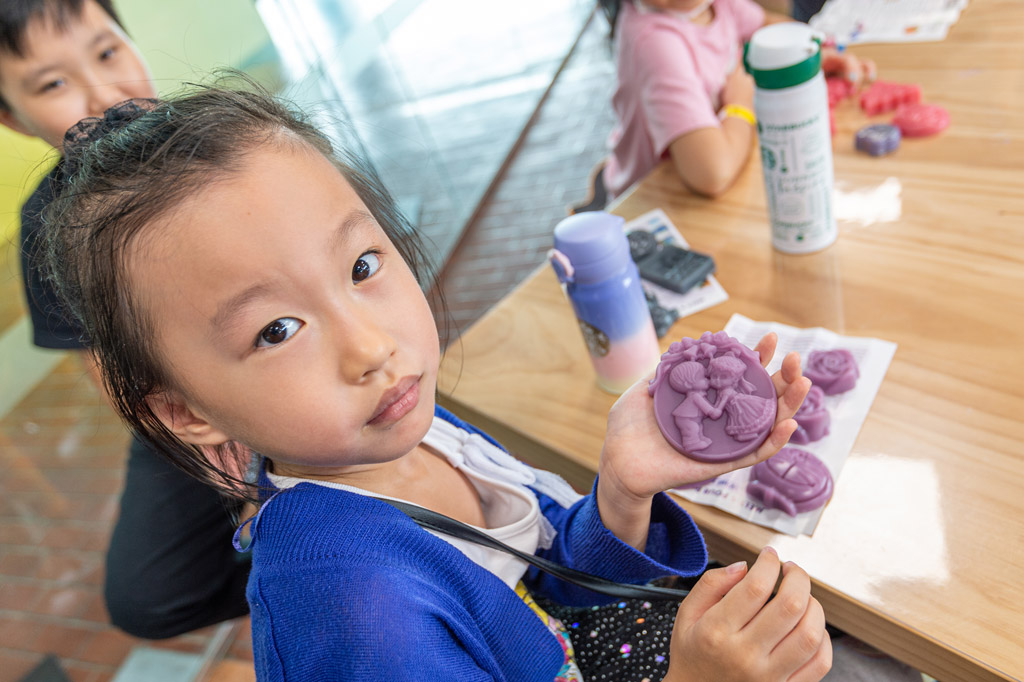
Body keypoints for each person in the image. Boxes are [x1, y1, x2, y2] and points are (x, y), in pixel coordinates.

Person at [39, 84, 831, 681]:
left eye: (360, 266)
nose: (370, 345)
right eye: (277, 331)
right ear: (182, 409)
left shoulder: (407, 427)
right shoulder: (354, 616)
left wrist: (621, 491)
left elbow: (554, 598)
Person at [0, 0, 250, 638]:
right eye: (53, 83)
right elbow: (106, 370)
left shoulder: (227, 142)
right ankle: (288, 562)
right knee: (147, 599)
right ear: (11, 117)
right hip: (179, 410)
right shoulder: (46, 229)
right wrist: (209, 457)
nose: (103, 92)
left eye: (108, 51)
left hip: (284, 356)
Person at [596, 0, 876, 200]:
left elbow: (768, 25)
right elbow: (712, 173)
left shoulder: (712, 5)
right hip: (653, 205)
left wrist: (811, 53)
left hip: (721, 158)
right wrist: (740, 104)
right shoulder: (654, 43)